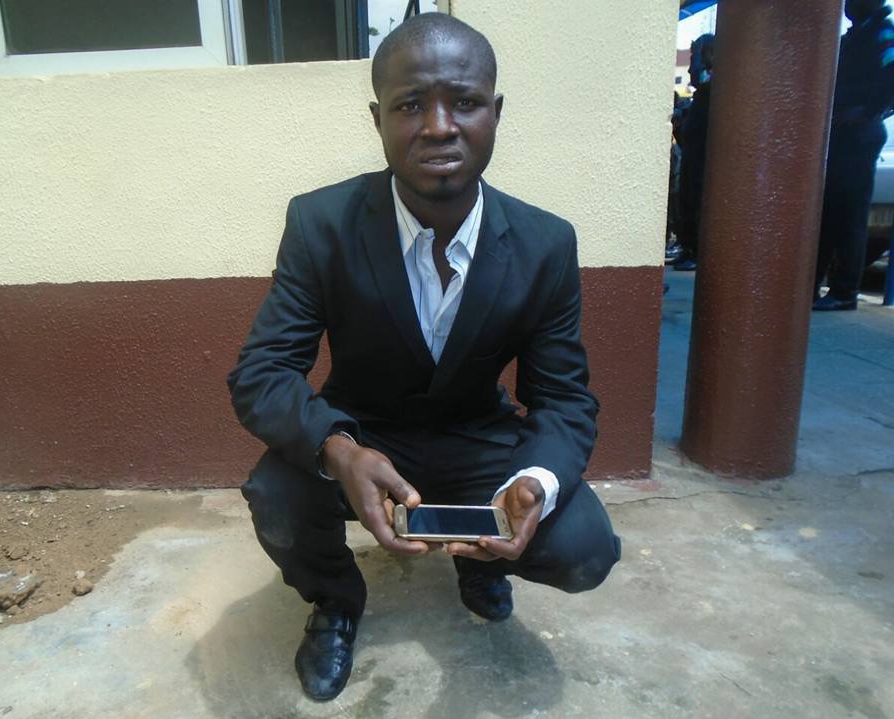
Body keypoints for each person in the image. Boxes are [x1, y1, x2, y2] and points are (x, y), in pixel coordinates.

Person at [227, 13, 620, 702]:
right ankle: (335, 598)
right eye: (411, 105)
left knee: (584, 549)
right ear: (378, 118)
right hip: (364, 433)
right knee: (275, 496)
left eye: (464, 102)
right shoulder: (321, 225)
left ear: (495, 112)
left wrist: (534, 481)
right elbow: (261, 372)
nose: (439, 126)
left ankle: (480, 558)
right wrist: (339, 450)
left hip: (478, 437)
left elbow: (563, 397)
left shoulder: (545, 243)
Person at [814, 0, 894, 311]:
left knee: (849, 216)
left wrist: (867, 112)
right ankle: (813, 286)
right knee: (827, 212)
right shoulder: (858, 34)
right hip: (841, 132)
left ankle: (844, 291)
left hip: (858, 133)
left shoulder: (883, 33)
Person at [674, 33, 715, 272]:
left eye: (695, 58)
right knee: (687, 202)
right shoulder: (702, 95)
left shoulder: (713, 89)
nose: (690, 68)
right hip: (693, 157)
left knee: (698, 203)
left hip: (703, 162)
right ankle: (688, 248)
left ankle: (697, 251)